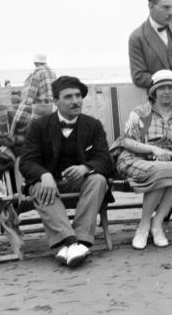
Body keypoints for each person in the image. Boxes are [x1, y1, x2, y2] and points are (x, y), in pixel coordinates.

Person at [18, 76, 112, 267]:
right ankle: (74, 243)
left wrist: (85, 168)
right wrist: (44, 175)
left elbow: (105, 159)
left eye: (78, 96)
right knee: (39, 187)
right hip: (47, 182)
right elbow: (27, 161)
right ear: (55, 101)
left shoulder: (93, 125)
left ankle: (76, 242)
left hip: (80, 181)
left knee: (99, 180)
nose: (76, 101)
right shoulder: (39, 126)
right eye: (68, 97)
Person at [114, 70, 172, 250]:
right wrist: (154, 149)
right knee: (162, 171)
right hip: (134, 159)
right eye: (161, 88)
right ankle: (144, 225)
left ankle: (156, 224)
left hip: (167, 165)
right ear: (153, 91)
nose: (167, 91)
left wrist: (170, 155)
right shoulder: (141, 113)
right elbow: (128, 141)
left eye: (171, 88)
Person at [10, 54, 57, 136]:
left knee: (18, 121)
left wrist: (23, 105)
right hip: (53, 106)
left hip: (41, 107)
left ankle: (11, 138)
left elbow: (30, 97)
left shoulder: (36, 74)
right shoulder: (53, 73)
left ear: (35, 62)